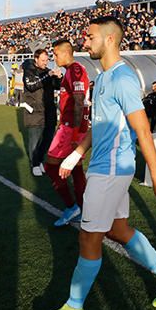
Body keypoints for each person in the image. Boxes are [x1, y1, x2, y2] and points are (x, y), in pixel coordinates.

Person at [33, 16, 156, 310]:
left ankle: (74, 308)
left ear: (110, 39)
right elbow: (97, 126)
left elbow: (142, 129)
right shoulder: (102, 79)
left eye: (90, 37)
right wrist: (75, 154)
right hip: (104, 166)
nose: (85, 42)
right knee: (118, 230)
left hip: (112, 169)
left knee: (88, 237)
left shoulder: (123, 78)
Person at [46, 39, 90, 227]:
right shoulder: (70, 71)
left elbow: (79, 102)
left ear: (65, 53)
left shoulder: (76, 70)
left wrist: (74, 135)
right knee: (77, 169)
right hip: (69, 126)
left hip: (72, 128)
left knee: (51, 167)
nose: (54, 57)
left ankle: (73, 207)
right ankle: (83, 208)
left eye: (55, 54)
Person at [21, 50, 51, 176]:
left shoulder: (46, 71)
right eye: (43, 60)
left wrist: (57, 78)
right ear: (36, 59)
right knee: (35, 139)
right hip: (34, 111)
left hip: (46, 110)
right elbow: (31, 85)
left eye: (47, 60)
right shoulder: (29, 71)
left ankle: (39, 161)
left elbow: (53, 86)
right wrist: (47, 76)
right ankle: (34, 164)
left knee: (46, 139)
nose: (46, 62)